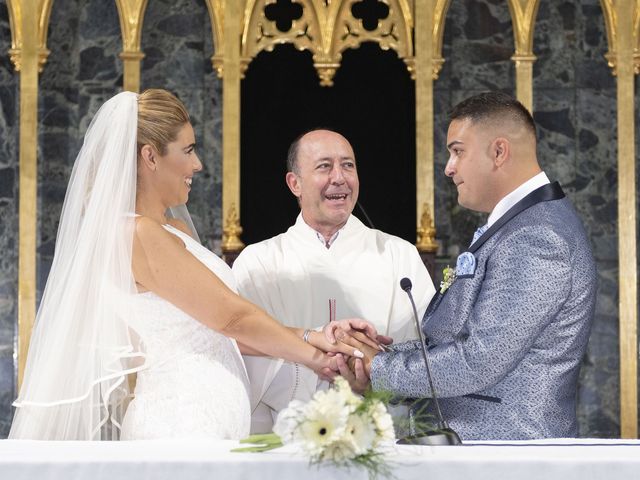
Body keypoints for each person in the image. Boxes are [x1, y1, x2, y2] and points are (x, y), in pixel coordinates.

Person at [9, 90, 374, 441]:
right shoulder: (136, 233)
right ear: (150, 157)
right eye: (187, 150)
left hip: (212, 421)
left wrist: (316, 336)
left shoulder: (174, 230)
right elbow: (233, 318)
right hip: (179, 422)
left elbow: (224, 334)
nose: (197, 164)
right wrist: (316, 359)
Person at [339, 92, 597, 440]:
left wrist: (380, 367)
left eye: (458, 150)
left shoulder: (537, 236)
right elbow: (462, 339)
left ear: (499, 152)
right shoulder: (519, 225)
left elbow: (480, 360)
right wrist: (380, 354)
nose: (448, 167)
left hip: (507, 454)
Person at [232, 128, 436, 433]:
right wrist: (318, 360)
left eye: (348, 165)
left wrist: (372, 367)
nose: (339, 177)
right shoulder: (259, 262)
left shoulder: (398, 255)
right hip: (288, 439)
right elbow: (238, 353)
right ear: (295, 184)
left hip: (381, 439)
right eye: (324, 166)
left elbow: (429, 350)